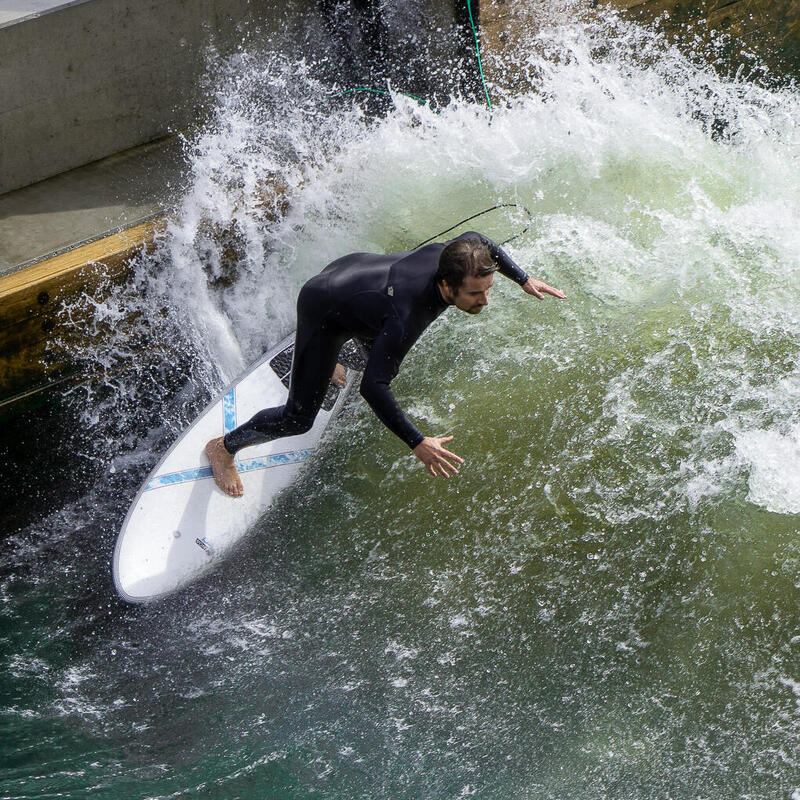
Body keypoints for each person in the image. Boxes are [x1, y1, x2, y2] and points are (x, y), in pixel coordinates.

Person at [205, 232, 565, 497]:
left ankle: (332, 360)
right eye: (475, 293)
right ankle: (224, 447)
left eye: (487, 289)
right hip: (325, 305)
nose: (485, 300)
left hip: (358, 272)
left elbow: (479, 239)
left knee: (375, 346)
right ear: (446, 284)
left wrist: (523, 278)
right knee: (299, 418)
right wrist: (418, 442)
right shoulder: (406, 316)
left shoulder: (455, 255)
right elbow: (373, 388)